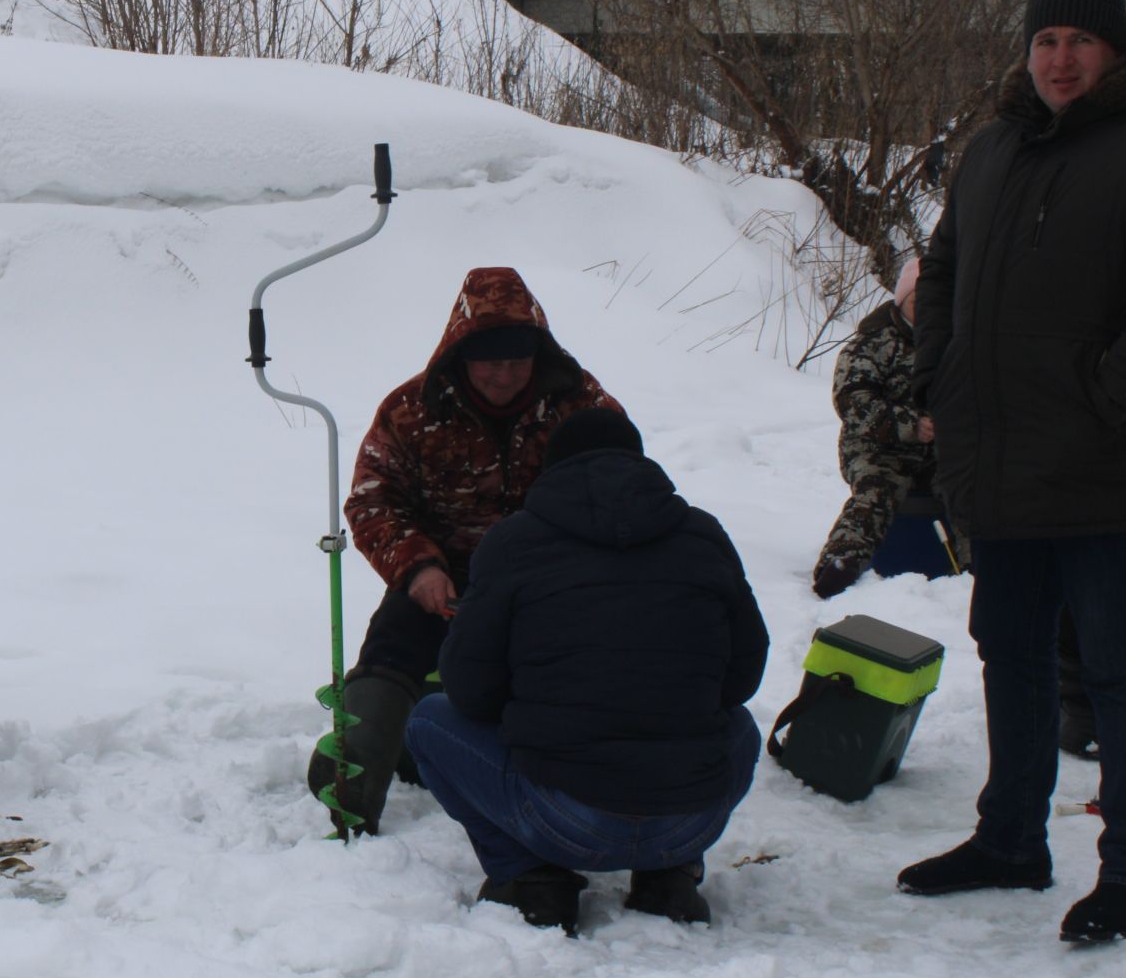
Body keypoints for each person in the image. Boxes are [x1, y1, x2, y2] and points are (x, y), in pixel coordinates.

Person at [900, 0, 1126, 942]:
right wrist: (939, 378)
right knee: (1011, 654)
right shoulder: (993, 147)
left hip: (1112, 466)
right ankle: (1010, 837)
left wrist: (1113, 392)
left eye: (1080, 42)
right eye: (1046, 40)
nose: (1060, 59)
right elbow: (947, 261)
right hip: (1001, 462)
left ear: (1115, 50)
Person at [406, 410, 768, 936]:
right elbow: (743, 677)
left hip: (566, 820)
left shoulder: (513, 543)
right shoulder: (703, 535)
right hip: (689, 820)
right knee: (739, 726)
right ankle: (670, 875)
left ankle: (530, 878)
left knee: (428, 721)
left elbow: (469, 690)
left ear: (551, 471)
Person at [307, 267, 622, 834]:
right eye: (488, 361)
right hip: (444, 577)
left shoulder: (583, 403)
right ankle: (353, 780)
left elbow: (623, 486)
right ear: (460, 352)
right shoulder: (410, 408)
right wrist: (418, 567)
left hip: (553, 578)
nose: (503, 376)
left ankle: (567, 794)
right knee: (394, 643)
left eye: (516, 361)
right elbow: (372, 501)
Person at [811, 257, 959, 598]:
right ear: (901, 300)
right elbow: (852, 403)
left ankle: (973, 569)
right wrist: (910, 425)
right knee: (877, 493)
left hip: (942, 450)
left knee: (967, 491)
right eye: (916, 301)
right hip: (877, 448)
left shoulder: (955, 341)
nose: (925, 309)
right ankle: (840, 563)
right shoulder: (873, 342)